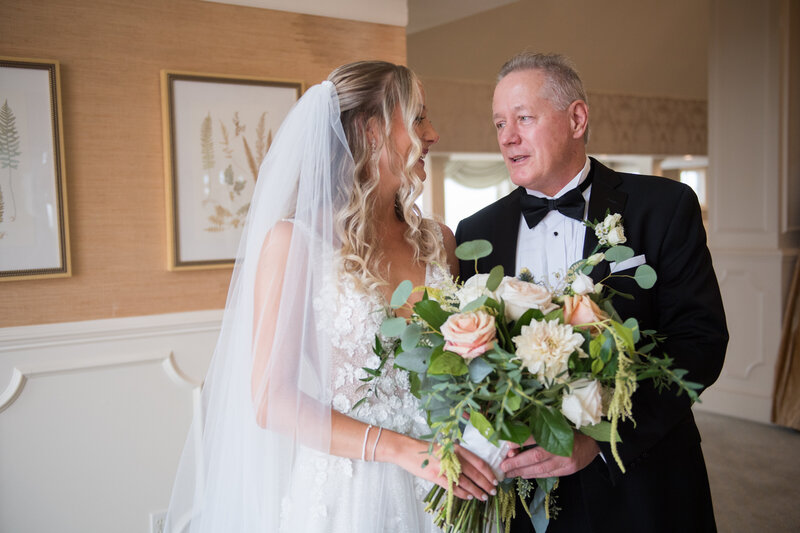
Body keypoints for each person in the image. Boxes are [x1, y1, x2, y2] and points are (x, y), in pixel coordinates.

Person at [164, 61, 498, 533]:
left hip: (447, 485)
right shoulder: (295, 242)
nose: (434, 133)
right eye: (419, 117)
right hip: (353, 492)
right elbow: (271, 401)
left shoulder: (438, 241)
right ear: (374, 130)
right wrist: (402, 450)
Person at [455, 52, 728, 532]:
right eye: (499, 123)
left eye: (523, 118)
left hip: (642, 483)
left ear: (576, 118)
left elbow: (700, 341)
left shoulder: (663, 206)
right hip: (523, 496)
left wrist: (602, 440)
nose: (507, 138)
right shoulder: (475, 232)